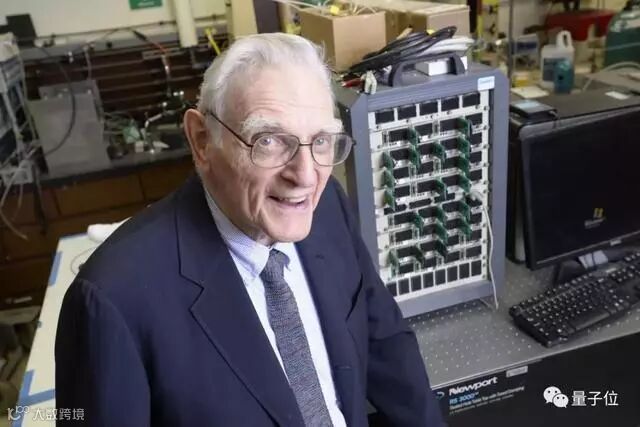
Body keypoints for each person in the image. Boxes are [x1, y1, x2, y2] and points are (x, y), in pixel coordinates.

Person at [55, 33, 444, 427]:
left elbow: (386, 342)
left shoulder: (326, 208)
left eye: (321, 140)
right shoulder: (112, 301)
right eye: (269, 140)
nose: (305, 176)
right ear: (202, 140)